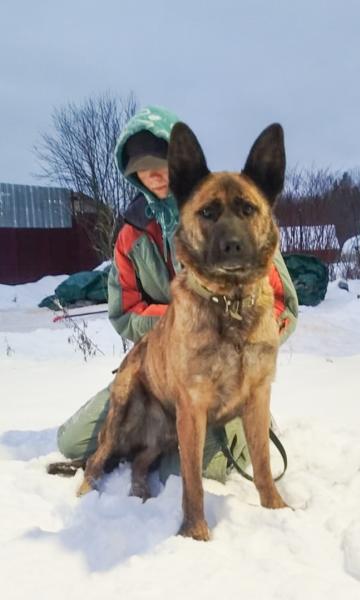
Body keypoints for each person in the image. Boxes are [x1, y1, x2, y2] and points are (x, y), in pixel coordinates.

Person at [57, 105, 299, 484]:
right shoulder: (131, 234)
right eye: (141, 168)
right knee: (71, 441)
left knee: (194, 469)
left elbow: (282, 305)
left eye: (161, 162)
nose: (153, 174)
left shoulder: (237, 215)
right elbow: (125, 312)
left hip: (230, 373)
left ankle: (250, 421)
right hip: (161, 371)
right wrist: (184, 326)